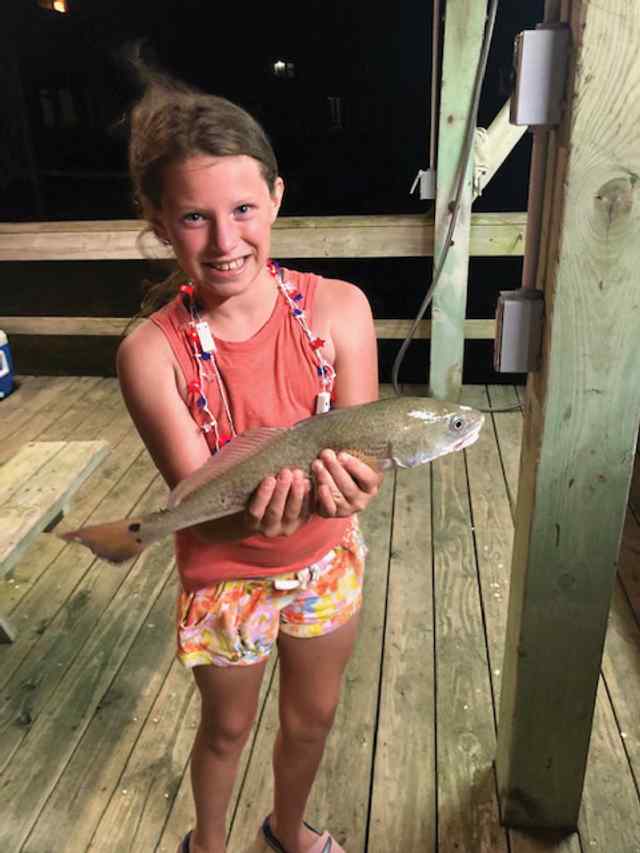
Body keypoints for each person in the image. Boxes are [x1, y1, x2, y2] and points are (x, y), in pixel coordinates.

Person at [118, 71, 381, 853]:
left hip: (326, 560)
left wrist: (353, 486)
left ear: (275, 199)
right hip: (225, 572)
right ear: (162, 224)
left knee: (314, 716)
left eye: (242, 209)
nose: (225, 240)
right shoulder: (149, 352)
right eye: (195, 217)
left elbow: (359, 448)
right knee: (227, 727)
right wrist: (269, 502)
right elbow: (199, 488)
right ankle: (208, 842)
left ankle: (290, 828)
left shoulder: (341, 309)